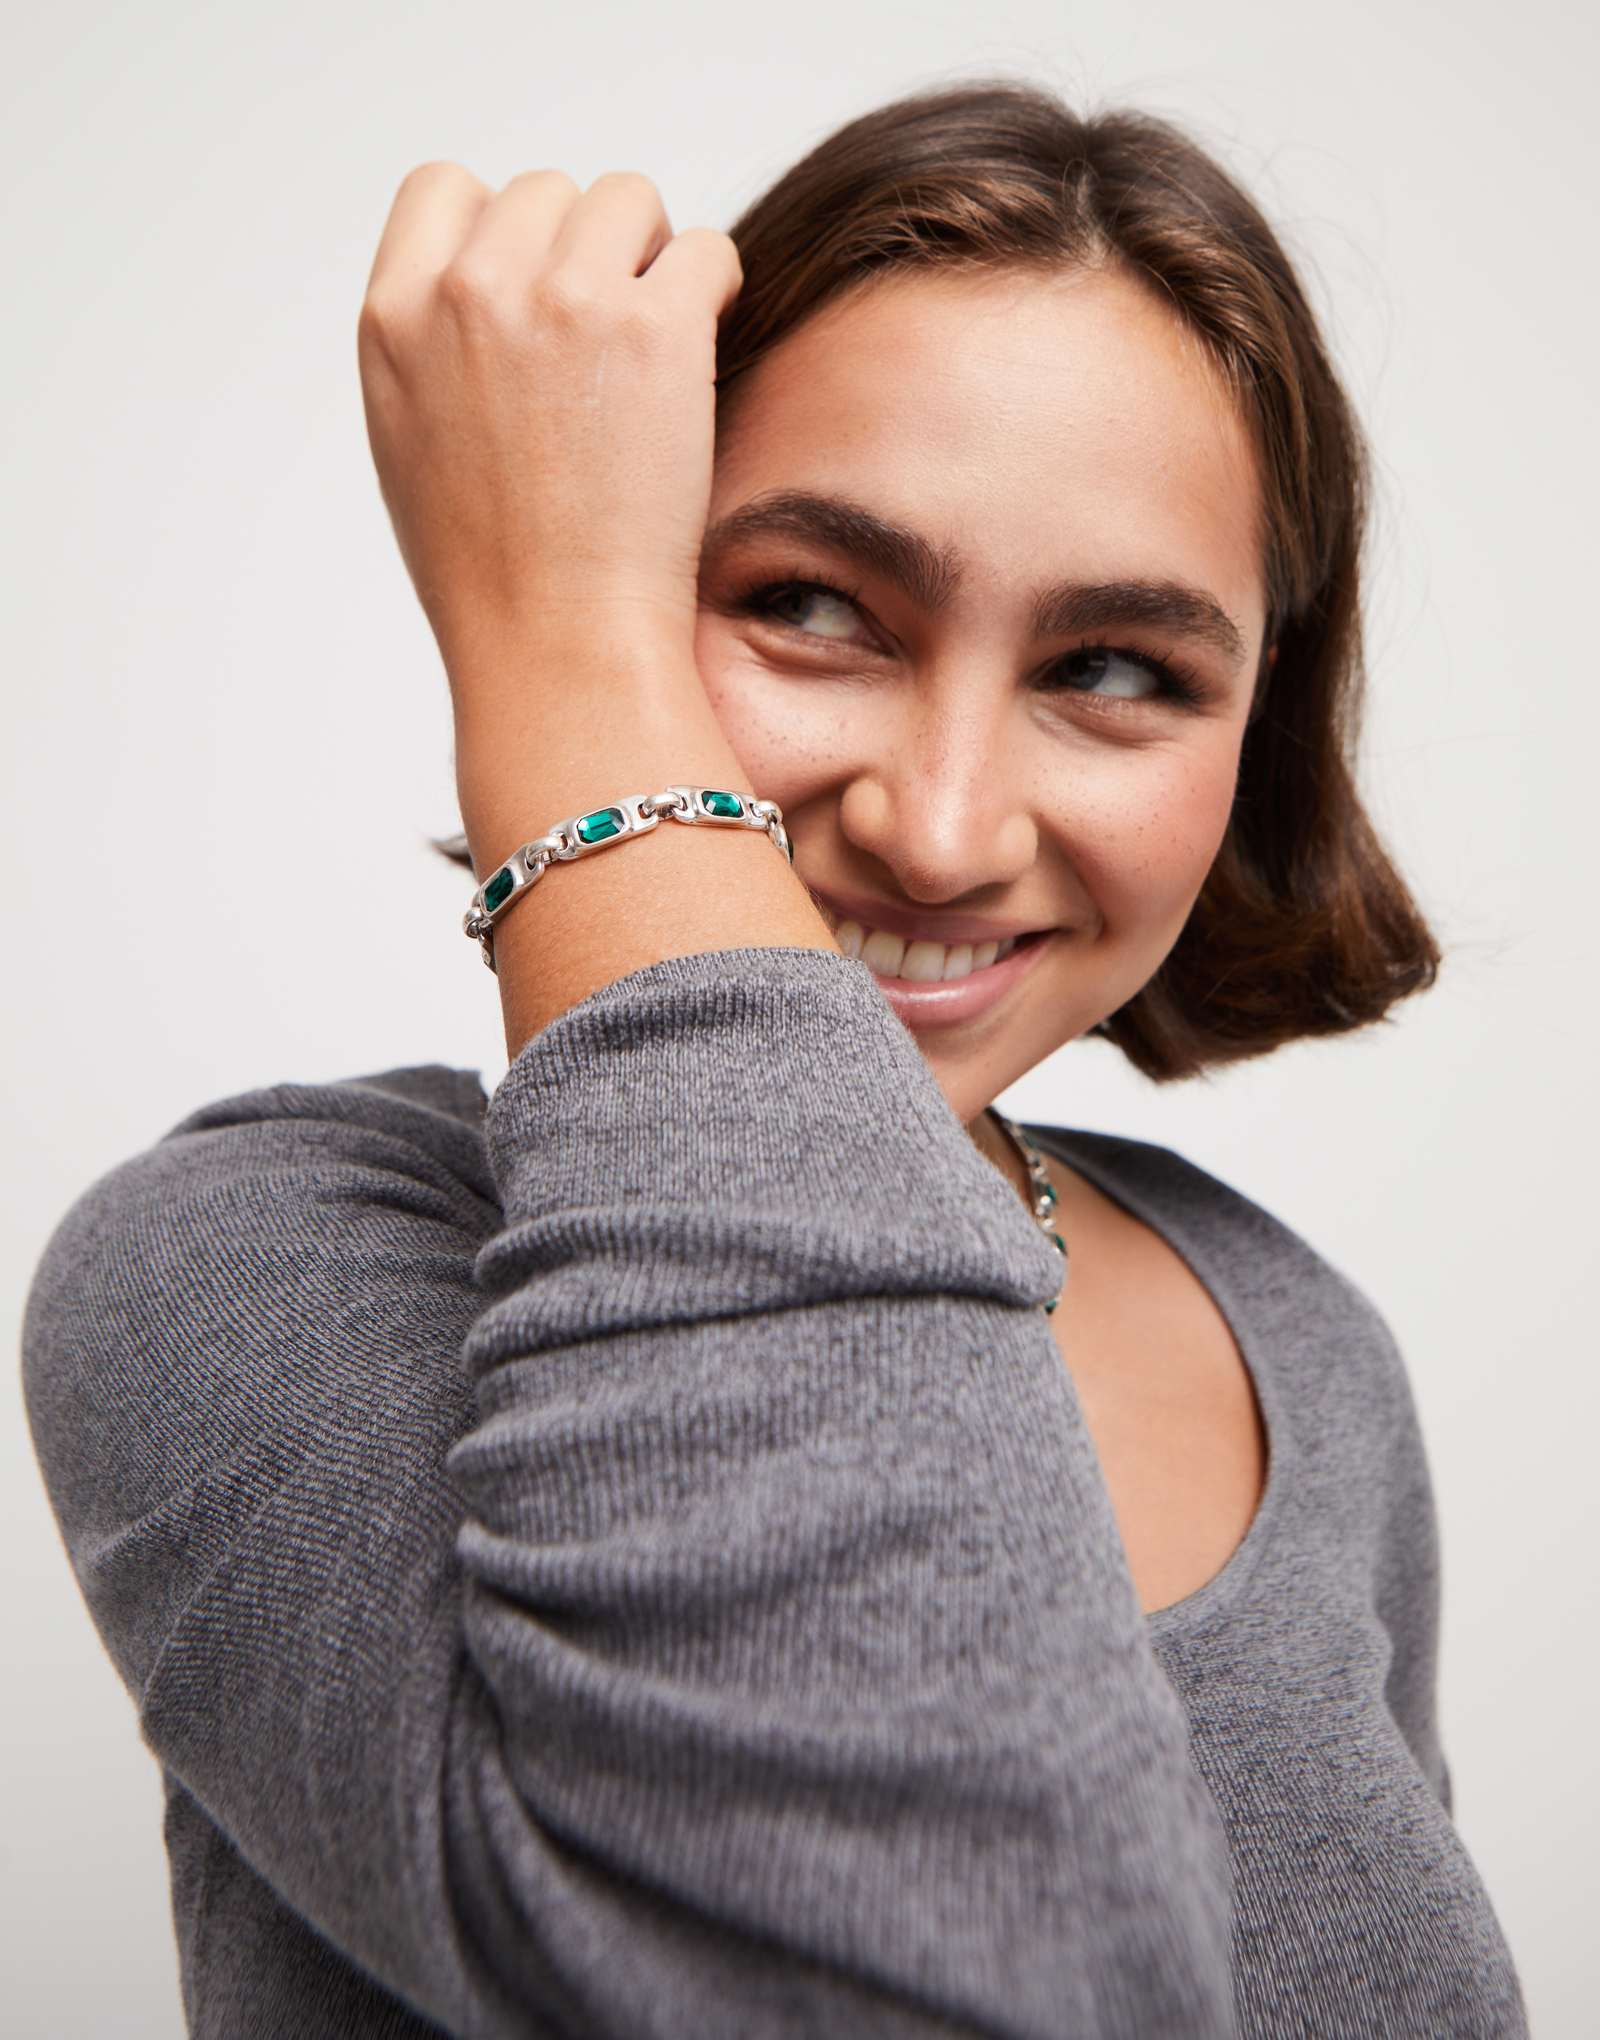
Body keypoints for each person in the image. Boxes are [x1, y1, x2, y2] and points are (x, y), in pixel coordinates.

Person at [23, 83, 1525, 2039]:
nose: (940, 824)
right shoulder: (248, 1265)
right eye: (807, 607)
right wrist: (553, 646)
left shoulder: (1294, 1346)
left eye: (1113, 670)